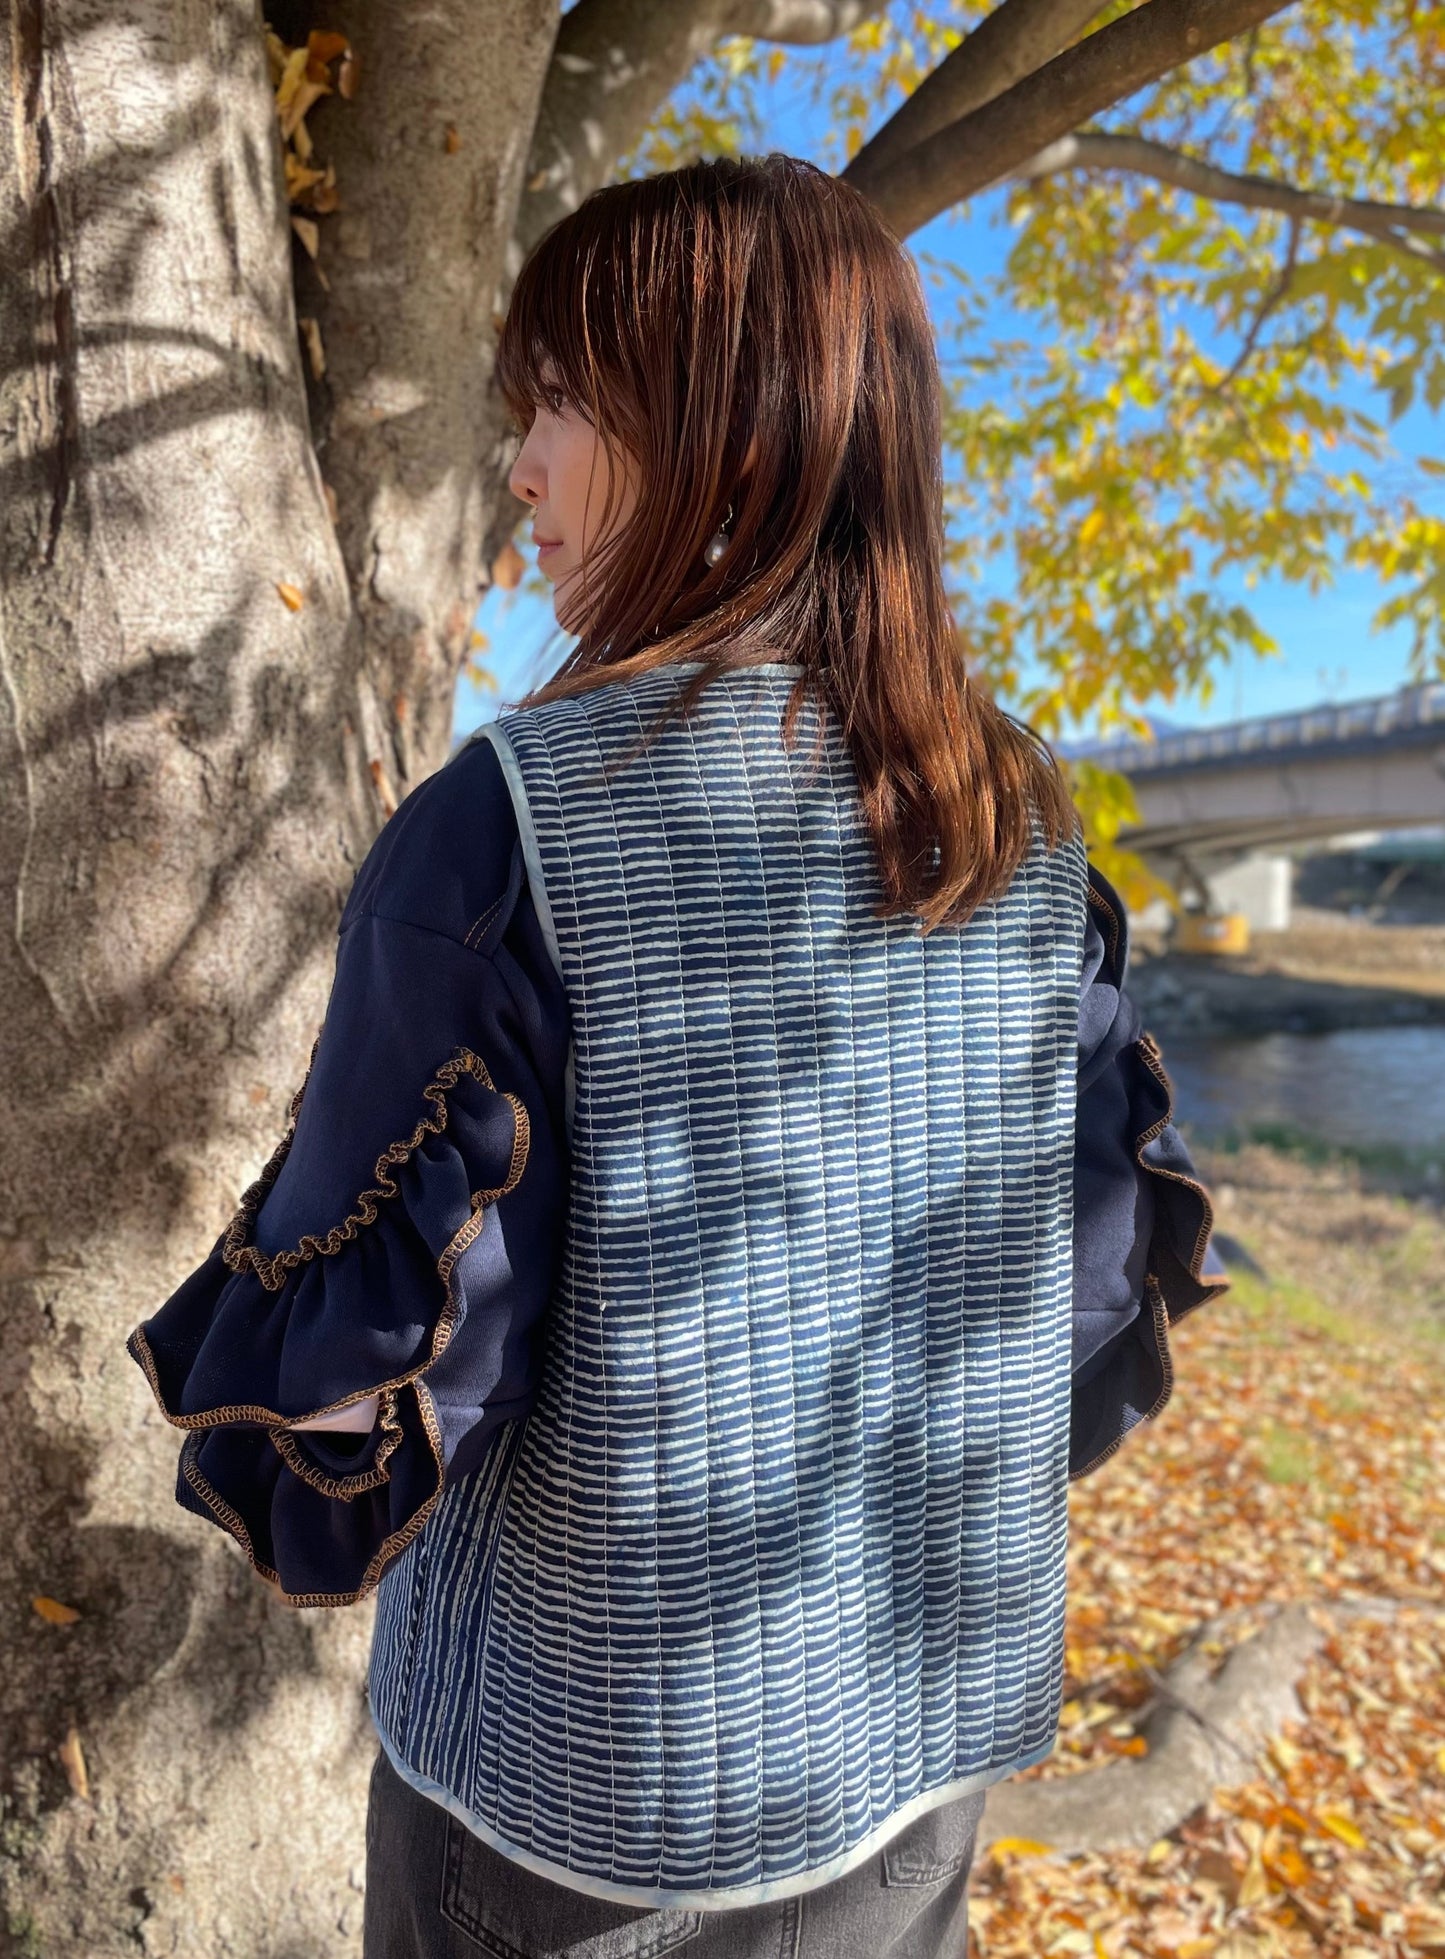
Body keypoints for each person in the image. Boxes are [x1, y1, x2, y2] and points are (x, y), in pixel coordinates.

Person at [127, 152, 1229, 1959]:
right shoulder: (1012, 816)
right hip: (919, 1757)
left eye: (564, 398)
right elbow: (1091, 1283)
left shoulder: (514, 826)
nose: (523, 466)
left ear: (731, 415)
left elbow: (355, 1405)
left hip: (582, 1822)